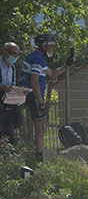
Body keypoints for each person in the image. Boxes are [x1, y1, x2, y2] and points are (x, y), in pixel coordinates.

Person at [19, 33, 73, 162]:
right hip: (32, 95)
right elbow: (34, 82)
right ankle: (38, 157)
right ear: (44, 45)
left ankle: (36, 155)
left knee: (40, 126)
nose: (53, 49)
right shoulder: (37, 59)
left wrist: (67, 65)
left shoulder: (39, 58)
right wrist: (41, 102)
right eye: (52, 46)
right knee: (41, 126)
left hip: (32, 95)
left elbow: (53, 74)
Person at [0, 42, 23, 144]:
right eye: (13, 53)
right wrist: (2, 88)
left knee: (10, 137)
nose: (15, 56)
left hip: (8, 104)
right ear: (4, 52)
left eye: (18, 54)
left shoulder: (13, 68)